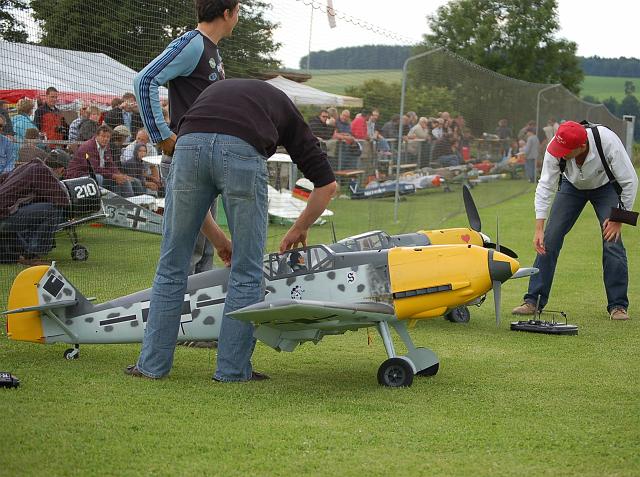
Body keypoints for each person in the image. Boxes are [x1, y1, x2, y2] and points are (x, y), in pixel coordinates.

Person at [125, 78, 337, 381]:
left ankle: (151, 366)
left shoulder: (213, 93)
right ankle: (232, 370)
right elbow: (327, 186)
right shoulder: (287, 111)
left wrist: (221, 240)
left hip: (187, 146)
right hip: (241, 150)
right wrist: (298, 229)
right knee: (247, 272)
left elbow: (189, 195)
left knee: (172, 267)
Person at [134, 0, 239, 279]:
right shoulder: (192, 43)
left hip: (202, 159)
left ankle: (195, 319)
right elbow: (144, 81)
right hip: (185, 159)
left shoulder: (210, 49)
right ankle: (172, 318)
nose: (238, 16)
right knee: (185, 252)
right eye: (238, 10)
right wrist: (162, 135)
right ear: (227, 13)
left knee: (204, 251)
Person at [512, 121, 638, 321]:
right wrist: (539, 228)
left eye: (564, 150)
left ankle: (618, 306)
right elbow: (545, 185)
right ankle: (533, 301)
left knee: (612, 241)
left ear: (582, 147)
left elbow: (630, 181)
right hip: (571, 186)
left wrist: (618, 219)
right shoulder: (557, 145)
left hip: (606, 186)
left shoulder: (607, 141)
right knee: (549, 240)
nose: (558, 153)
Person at [0, 154, 70, 265]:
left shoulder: (26, 166)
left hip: (4, 214)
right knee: (53, 210)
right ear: (61, 169)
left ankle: (25, 253)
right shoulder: (43, 171)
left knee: (35, 209)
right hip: (4, 218)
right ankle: (34, 254)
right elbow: (62, 200)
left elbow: (3, 178)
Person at [65, 124, 144, 197]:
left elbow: (110, 164)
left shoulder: (106, 146)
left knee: (124, 180)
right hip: (79, 175)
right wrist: (114, 176)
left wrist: (119, 175)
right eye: (103, 136)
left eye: (108, 137)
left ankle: (128, 205)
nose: (105, 139)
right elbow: (94, 169)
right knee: (98, 178)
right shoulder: (88, 147)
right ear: (97, 136)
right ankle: (99, 201)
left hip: (98, 173)